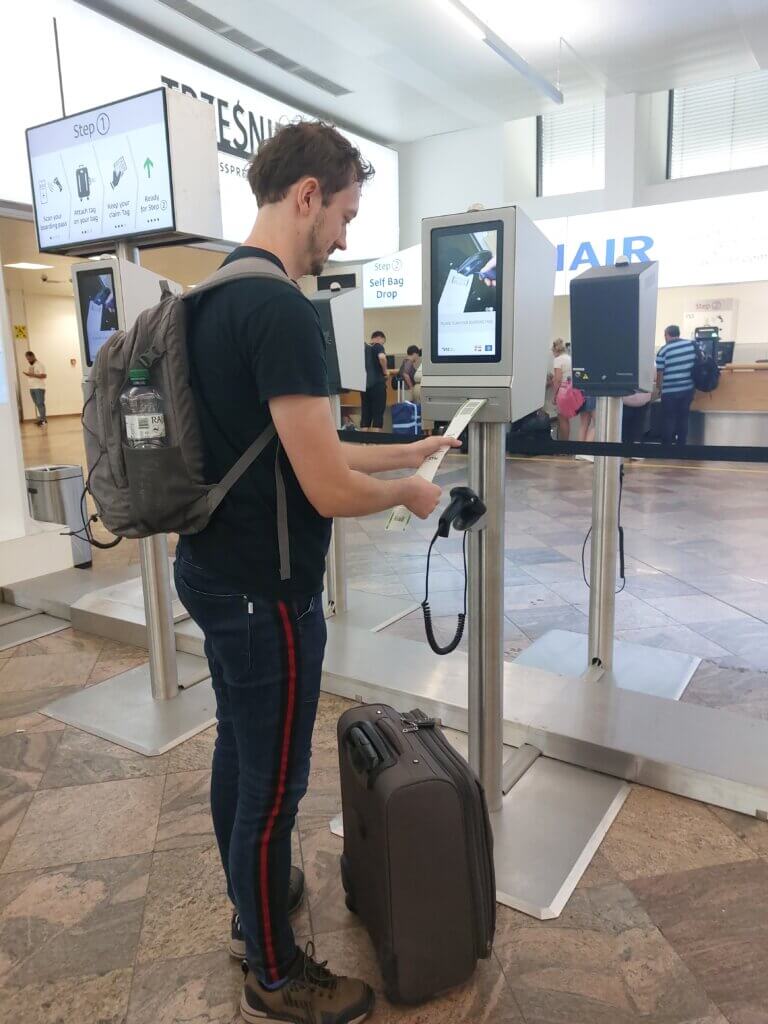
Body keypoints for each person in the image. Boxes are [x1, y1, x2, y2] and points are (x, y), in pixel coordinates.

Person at [173, 120, 456, 1024]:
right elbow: (326, 486)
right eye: (343, 213)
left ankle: (247, 902)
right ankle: (273, 970)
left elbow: (295, 445)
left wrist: (408, 445)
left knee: (236, 747)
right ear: (306, 196)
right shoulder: (284, 311)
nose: (343, 235)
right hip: (269, 593)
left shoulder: (212, 294)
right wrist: (411, 491)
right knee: (275, 784)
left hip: (211, 573)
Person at [656, 324, 696, 446]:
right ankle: (681, 445)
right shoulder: (692, 345)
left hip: (669, 391)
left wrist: (659, 387)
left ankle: (667, 447)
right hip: (688, 389)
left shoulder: (663, 351)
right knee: (683, 417)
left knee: (669, 418)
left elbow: (660, 373)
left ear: (667, 335)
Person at [361, 329, 387, 430]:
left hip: (364, 386)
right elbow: (382, 357)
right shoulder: (377, 346)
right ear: (379, 338)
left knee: (365, 414)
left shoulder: (363, 348)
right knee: (378, 414)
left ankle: (363, 444)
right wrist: (385, 371)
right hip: (377, 385)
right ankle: (375, 443)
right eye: (383, 342)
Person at [551, 338, 574, 441]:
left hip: (562, 392)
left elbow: (557, 380)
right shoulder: (569, 358)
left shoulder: (558, 360)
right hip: (570, 390)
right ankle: (565, 446)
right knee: (566, 419)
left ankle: (563, 447)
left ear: (555, 349)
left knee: (562, 419)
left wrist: (554, 396)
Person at [22, 350, 48, 426]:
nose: (28, 360)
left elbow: (44, 375)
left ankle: (43, 420)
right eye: (27, 359)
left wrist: (32, 375)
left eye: (29, 359)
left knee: (40, 403)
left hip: (39, 387)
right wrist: (29, 374)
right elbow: (32, 375)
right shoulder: (31, 365)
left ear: (33, 356)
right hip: (32, 387)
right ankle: (41, 419)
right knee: (37, 404)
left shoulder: (39, 364)